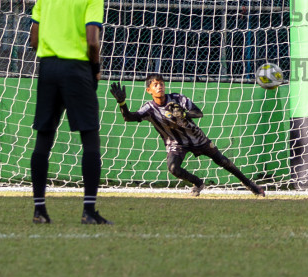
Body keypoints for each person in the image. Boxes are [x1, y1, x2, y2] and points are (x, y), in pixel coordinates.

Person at [27, 0, 109, 225]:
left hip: (48, 67)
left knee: (44, 136)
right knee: (89, 136)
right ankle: (88, 211)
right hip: (77, 69)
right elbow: (92, 40)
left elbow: (34, 38)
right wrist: (95, 69)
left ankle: (39, 210)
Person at [111, 74, 266, 196]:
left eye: (162, 84)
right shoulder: (149, 108)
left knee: (223, 161)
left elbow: (199, 113)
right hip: (176, 143)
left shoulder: (178, 99)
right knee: (173, 168)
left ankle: (251, 186)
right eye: (155, 85)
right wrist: (122, 104)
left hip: (196, 137)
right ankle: (198, 183)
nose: (160, 87)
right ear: (149, 90)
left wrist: (183, 113)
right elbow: (128, 117)